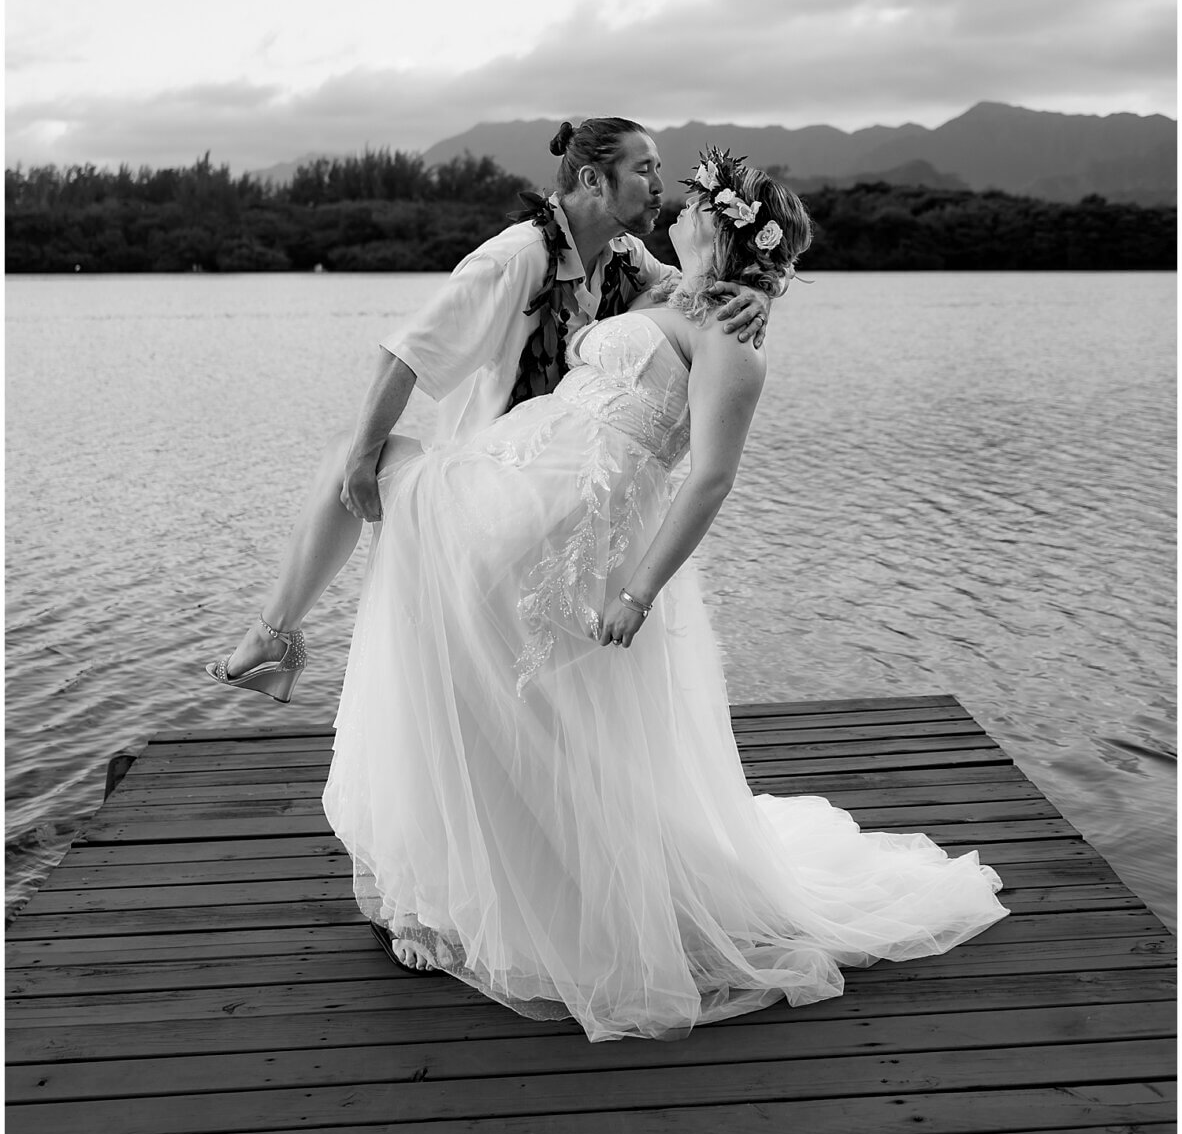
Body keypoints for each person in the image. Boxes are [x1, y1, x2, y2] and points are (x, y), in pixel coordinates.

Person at [321, 148, 1007, 1040]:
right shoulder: (665, 285)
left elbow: (710, 479)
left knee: (511, 681)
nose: (673, 207)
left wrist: (640, 591)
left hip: (582, 522)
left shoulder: (730, 337)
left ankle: (503, 894)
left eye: (692, 205)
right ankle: (454, 878)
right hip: (518, 478)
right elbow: (599, 266)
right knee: (473, 662)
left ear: (722, 228)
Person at [206, 119, 770, 698]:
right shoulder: (516, 259)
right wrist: (360, 462)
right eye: (644, 169)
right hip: (498, 479)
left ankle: (274, 637)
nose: (660, 185)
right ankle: (277, 637)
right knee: (346, 464)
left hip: (573, 499)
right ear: (592, 180)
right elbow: (406, 354)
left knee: (511, 687)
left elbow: (703, 294)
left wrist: (755, 290)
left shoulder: (626, 255)